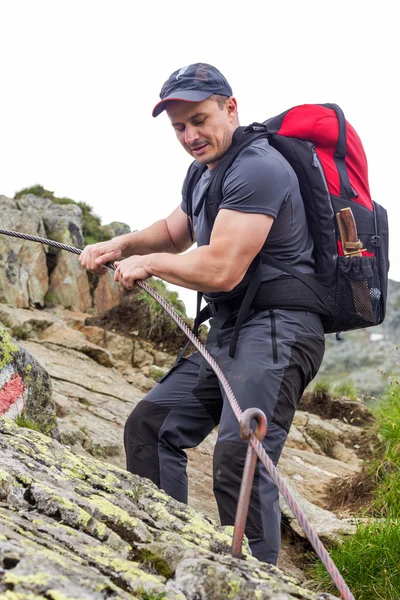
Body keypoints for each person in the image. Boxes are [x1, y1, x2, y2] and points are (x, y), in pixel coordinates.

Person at [79, 62, 325, 565]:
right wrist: (121, 244)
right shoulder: (205, 172)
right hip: (233, 331)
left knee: (241, 458)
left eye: (199, 120)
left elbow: (222, 270)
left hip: (280, 331)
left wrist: (146, 264)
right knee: (151, 427)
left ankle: (254, 583)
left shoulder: (259, 168)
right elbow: (175, 232)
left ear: (230, 109)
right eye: (179, 128)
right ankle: (169, 552)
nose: (190, 135)